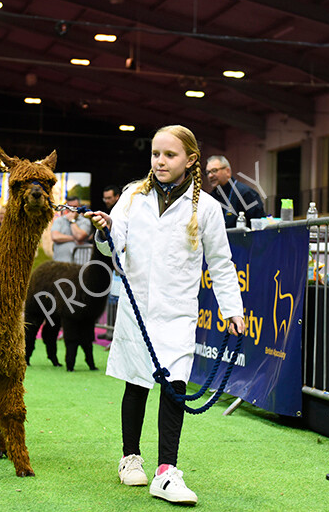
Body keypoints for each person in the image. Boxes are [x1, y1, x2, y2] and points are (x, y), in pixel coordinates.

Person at [86, 125, 245, 506]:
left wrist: (232, 309)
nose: (159, 161)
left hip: (176, 313)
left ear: (191, 160)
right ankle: (130, 458)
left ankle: (166, 472)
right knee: (136, 381)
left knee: (174, 388)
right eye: (156, 154)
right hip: (137, 308)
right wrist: (105, 230)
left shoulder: (207, 208)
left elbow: (221, 263)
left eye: (169, 155)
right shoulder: (130, 197)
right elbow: (113, 248)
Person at [205, 155, 266, 228]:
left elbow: (258, 226)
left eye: (214, 170)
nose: (210, 176)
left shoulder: (246, 194)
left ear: (227, 171)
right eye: (207, 172)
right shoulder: (211, 197)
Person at [51, 195, 92, 262]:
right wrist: (74, 238)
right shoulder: (59, 220)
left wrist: (72, 221)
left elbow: (79, 236)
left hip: (79, 264)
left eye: (75, 207)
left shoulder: (85, 221)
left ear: (79, 207)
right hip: (60, 263)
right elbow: (55, 237)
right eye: (70, 207)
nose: (72, 209)